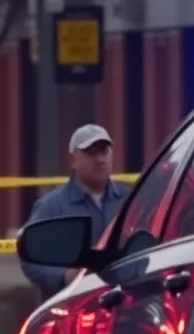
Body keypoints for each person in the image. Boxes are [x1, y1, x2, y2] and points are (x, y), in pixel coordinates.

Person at [19, 123, 127, 298]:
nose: (100, 159)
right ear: (73, 160)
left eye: (104, 151)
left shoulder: (130, 199)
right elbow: (29, 256)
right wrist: (64, 277)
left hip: (122, 303)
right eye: (91, 153)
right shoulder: (51, 207)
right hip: (70, 306)